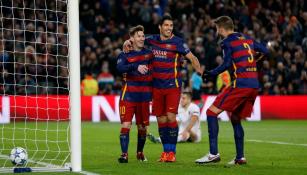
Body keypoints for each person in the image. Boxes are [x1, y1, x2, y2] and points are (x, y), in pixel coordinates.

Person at [124, 14, 202, 162]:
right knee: (161, 119)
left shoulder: (178, 42)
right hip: (156, 87)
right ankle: (165, 152)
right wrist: (127, 41)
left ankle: (171, 153)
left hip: (173, 86)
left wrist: (200, 72)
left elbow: (192, 57)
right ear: (160, 27)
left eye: (171, 26)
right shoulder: (151, 39)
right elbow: (137, 38)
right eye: (166, 25)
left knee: (171, 117)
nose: (169, 28)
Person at [195, 16, 268, 165]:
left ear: (221, 28)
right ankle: (240, 157)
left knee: (211, 112)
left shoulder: (227, 42)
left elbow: (227, 64)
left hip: (240, 84)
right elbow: (265, 50)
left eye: (217, 28)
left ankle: (213, 154)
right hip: (254, 85)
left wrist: (211, 73)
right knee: (235, 118)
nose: (216, 31)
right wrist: (255, 62)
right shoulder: (246, 38)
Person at [116, 25, 154, 163]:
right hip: (128, 95)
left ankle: (140, 153)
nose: (142, 38)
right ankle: (124, 154)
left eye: (143, 36)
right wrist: (135, 66)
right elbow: (119, 68)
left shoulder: (149, 54)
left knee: (142, 127)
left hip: (144, 96)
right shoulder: (124, 54)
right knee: (126, 124)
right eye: (138, 36)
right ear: (132, 38)